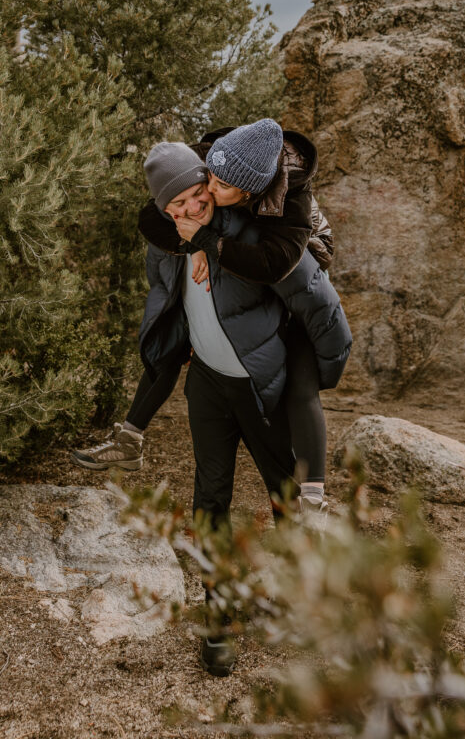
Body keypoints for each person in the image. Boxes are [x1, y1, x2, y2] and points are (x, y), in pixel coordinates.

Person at [130, 142, 352, 676]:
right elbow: (165, 302)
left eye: (192, 197)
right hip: (208, 387)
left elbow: (318, 300)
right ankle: (221, 617)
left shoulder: (254, 238)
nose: (186, 210)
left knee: (287, 498)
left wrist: (322, 372)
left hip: (264, 387)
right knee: (209, 498)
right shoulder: (167, 245)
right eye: (173, 206)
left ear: (210, 183)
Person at [73, 120, 335, 512]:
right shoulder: (205, 172)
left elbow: (284, 270)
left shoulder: (281, 206)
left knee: (288, 469)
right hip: (210, 378)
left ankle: (312, 503)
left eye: (209, 190)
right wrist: (191, 241)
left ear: (246, 191)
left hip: (281, 309)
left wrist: (205, 240)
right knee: (209, 489)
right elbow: (154, 215)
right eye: (203, 182)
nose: (202, 198)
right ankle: (131, 439)